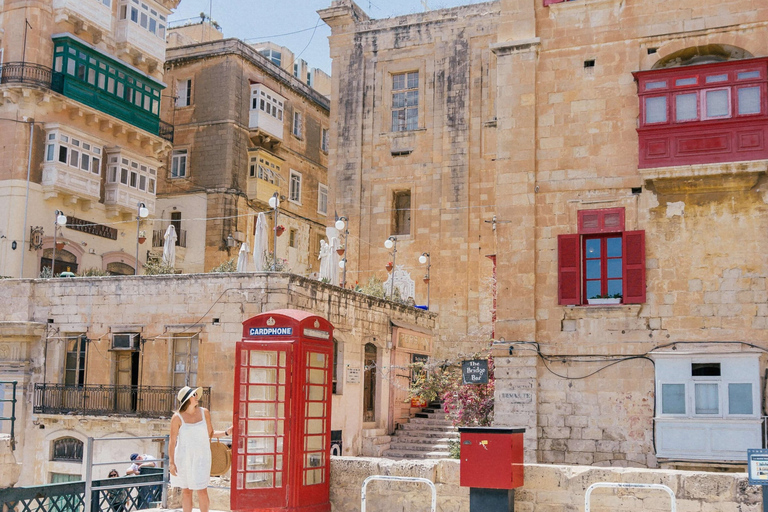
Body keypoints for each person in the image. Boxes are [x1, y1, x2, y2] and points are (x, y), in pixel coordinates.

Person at [169, 385, 232, 512]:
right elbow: (172, 440)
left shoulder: (205, 412)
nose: (197, 396)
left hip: (201, 457)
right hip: (183, 458)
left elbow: (210, 433)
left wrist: (226, 433)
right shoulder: (177, 418)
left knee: (202, 490)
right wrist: (171, 463)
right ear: (187, 399)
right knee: (186, 491)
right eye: (194, 395)